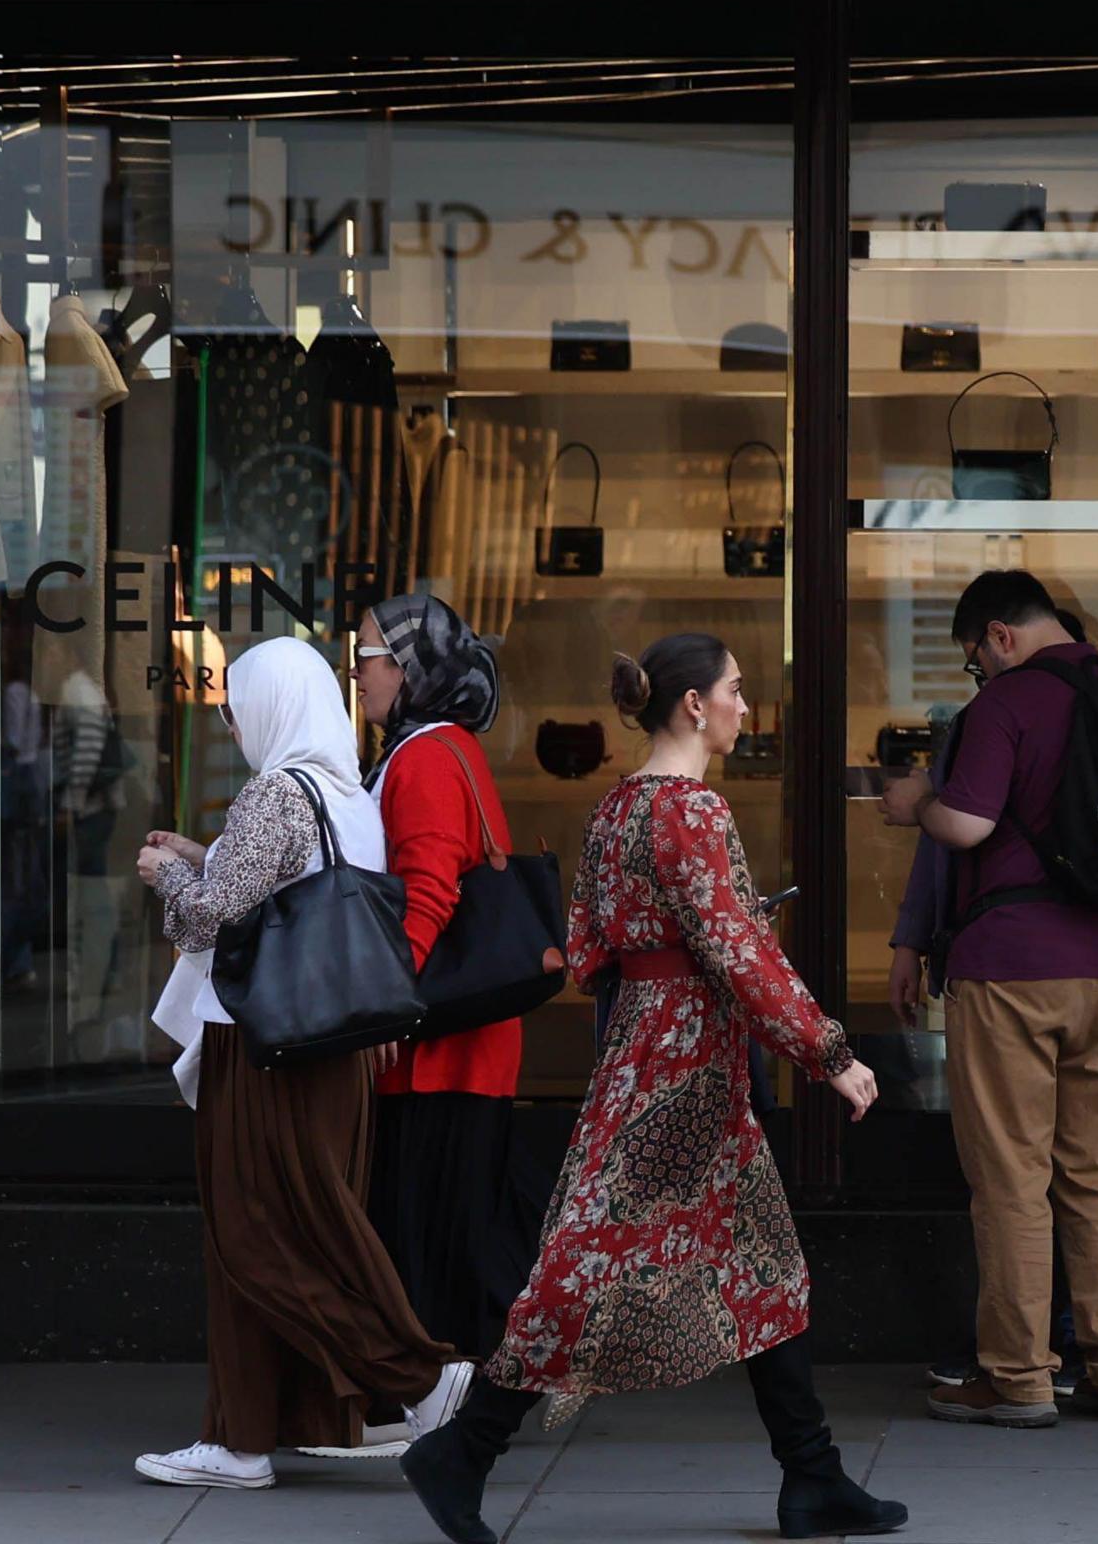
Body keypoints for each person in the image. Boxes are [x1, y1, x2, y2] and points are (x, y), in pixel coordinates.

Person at [403, 633, 902, 1544]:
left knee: (760, 1268)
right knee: (582, 1270)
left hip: (651, 1048)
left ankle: (813, 1475)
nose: (746, 709)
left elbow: (591, 945)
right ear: (693, 707)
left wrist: (663, 978)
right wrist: (830, 1052)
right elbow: (738, 952)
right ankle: (463, 1451)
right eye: (737, 692)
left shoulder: (618, 808)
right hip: (686, 1068)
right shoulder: (691, 812)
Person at [132, 635, 473, 1492]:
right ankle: (245, 1437)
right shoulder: (346, 793)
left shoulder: (274, 791)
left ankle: (420, 1377)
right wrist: (205, 856)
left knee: (254, 1234)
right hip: (332, 1044)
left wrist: (165, 878)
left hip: (264, 1046)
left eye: (237, 706)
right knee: (312, 1221)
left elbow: (210, 919)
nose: (233, 722)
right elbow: (295, 894)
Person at [878, 572, 1098, 1429]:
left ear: (998, 637)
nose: (979, 672)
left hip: (1012, 965)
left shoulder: (1006, 705)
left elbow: (968, 827)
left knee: (1011, 1175)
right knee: (1096, 1170)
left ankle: (1017, 1378)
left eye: (976, 657)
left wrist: (914, 804)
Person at [354, 594, 546, 1357]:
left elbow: (428, 891)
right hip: (461, 1044)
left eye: (369, 654)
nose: (359, 670)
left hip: (436, 1046)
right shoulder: (440, 745)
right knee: (471, 1219)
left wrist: (383, 1009)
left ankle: (457, 1384)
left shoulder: (427, 754)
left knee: (441, 1228)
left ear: (409, 669)